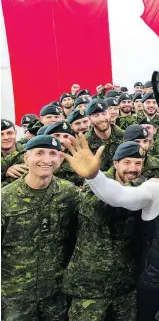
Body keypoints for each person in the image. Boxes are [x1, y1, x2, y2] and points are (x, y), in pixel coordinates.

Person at [63, 142, 147, 321]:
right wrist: (94, 177)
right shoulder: (93, 185)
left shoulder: (144, 188)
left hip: (125, 287)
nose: (133, 168)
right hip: (90, 287)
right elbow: (100, 208)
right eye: (127, 162)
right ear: (115, 163)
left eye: (138, 163)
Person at [1, 135, 79, 320]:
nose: (46, 160)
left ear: (60, 158)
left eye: (53, 153)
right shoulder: (5, 198)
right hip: (15, 296)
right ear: (26, 158)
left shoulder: (69, 193)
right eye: (40, 153)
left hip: (55, 294)